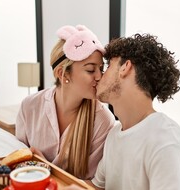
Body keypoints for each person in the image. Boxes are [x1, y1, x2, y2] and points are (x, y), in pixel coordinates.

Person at [30, 33, 180, 190]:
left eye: (107, 66)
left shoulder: (166, 142)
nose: (99, 76)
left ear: (125, 68)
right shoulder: (116, 135)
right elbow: (94, 189)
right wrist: (46, 172)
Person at [16, 25, 116, 179]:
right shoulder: (30, 106)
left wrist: (45, 167)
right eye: (90, 70)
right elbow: (19, 162)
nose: (99, 77)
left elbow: (89, 185)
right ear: (62, 74)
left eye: (101, 69)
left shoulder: (102, 121)